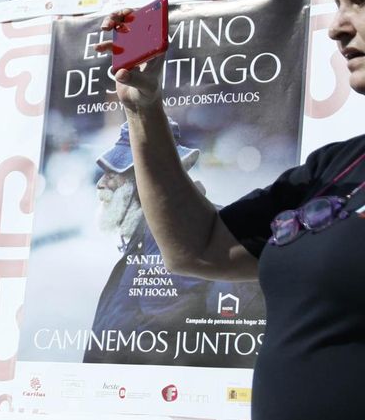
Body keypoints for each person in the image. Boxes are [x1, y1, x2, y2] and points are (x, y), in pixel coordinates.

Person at [104, 0, 365, 420]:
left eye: (359, 0)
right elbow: (198, 249)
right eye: (337, 3)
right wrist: (143, 108)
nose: (337, 26)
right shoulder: (335, 167)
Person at [83, 121, 259, 367]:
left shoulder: (173, 233)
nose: (101, 183)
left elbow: (160, 338)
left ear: (145, 181)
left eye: (113, 175)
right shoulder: (155, 232)